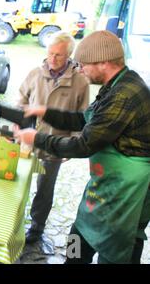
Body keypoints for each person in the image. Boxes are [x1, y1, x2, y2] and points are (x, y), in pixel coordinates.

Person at [15, 30, 150, 264]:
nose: (80, 69)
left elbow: (84, 144)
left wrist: (36, 139)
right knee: (76, 240)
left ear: (104, 63)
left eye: (83, 64)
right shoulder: (113, 87)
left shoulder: (124, 95)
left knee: (116, 252)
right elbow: (84, 120)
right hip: (103, 187)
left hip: (125, 193)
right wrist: (46, 112)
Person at [18, 31, 89, 245]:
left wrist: (73, 144)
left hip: (55, 145)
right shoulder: (35, 73)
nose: (53, 58)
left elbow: (83, 116)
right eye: (50, 53)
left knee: (45, 188)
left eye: (58, 55)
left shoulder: (80, 82)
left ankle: (37, 227)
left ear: (69, 55)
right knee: (19, 182)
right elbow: (20, 98)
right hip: (28, 141)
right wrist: (18, 117)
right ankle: (14, 221)